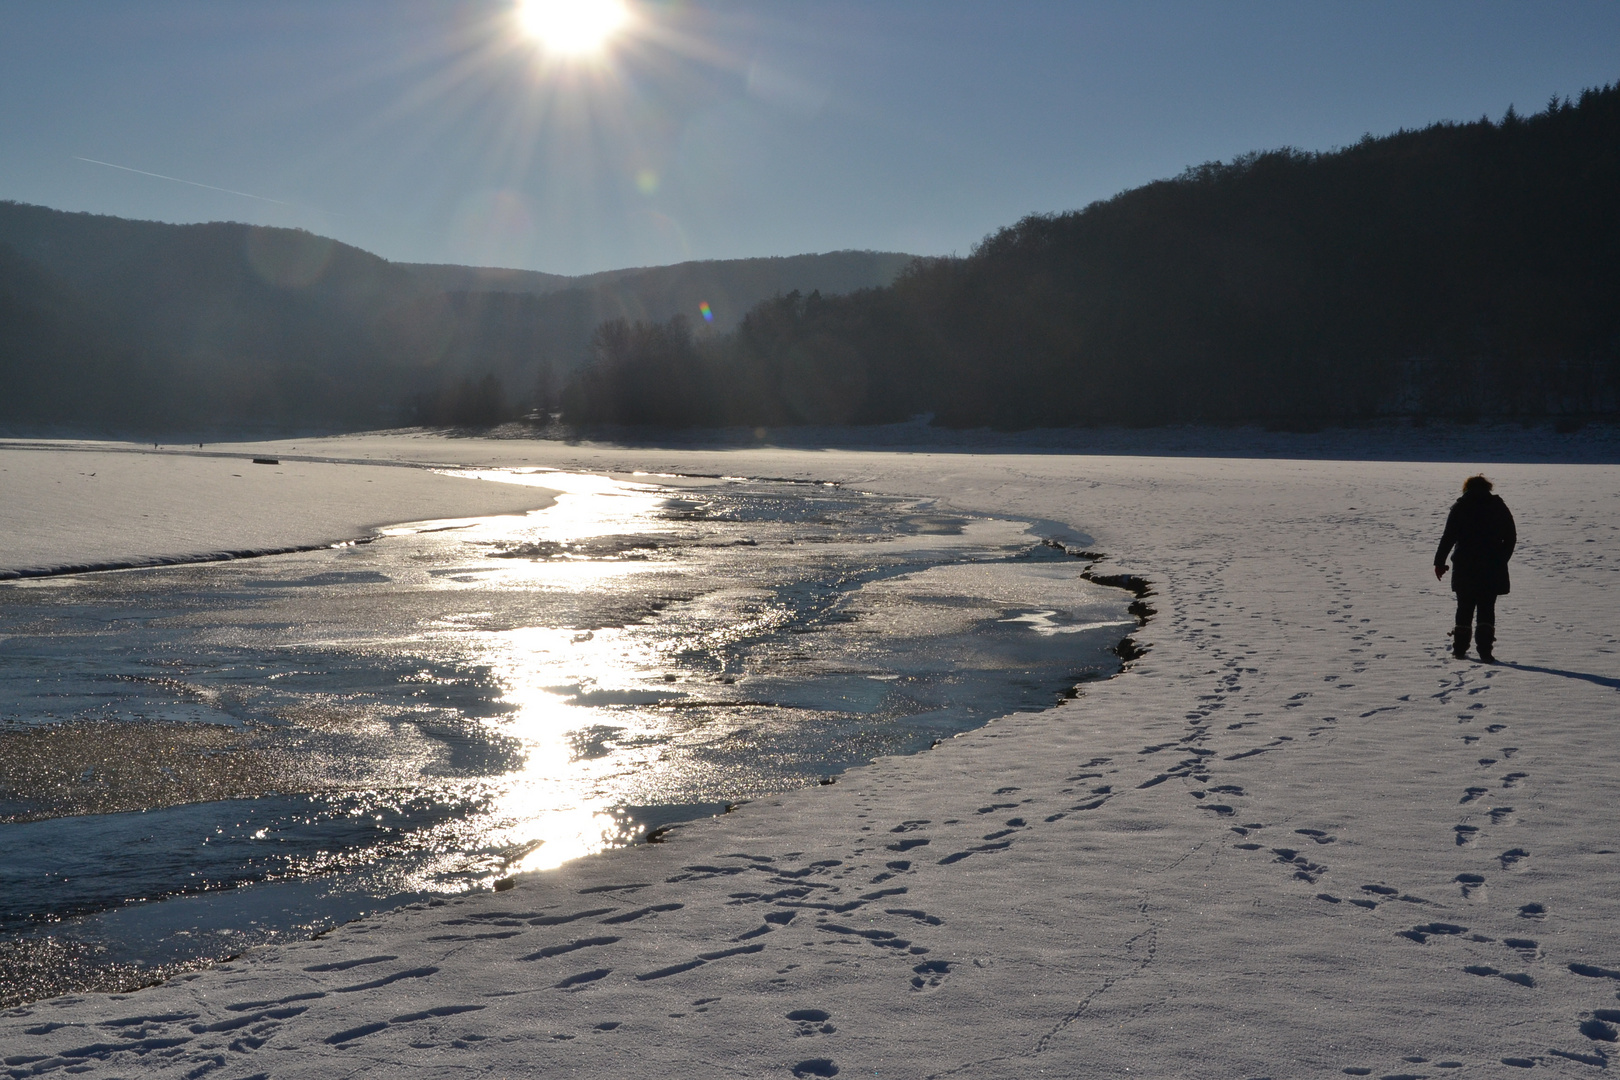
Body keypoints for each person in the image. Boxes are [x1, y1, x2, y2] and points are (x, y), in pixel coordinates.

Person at [1434, 474, 1516, 662]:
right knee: (1487, 608)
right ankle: (1485, 651)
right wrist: (1501, 559)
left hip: (1465, 566)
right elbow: (1511, 537)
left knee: (1464, 607)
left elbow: (1448, 537)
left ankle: (1460, 649)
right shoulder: (1498, 506)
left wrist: (1440, 562)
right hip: (1492, 567)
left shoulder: (1461, 507)